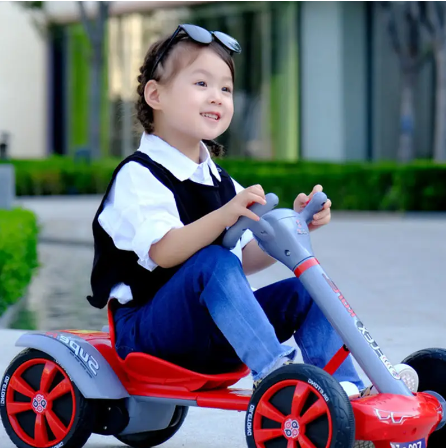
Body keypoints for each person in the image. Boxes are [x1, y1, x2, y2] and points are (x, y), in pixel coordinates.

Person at [88, 24, 417, 396]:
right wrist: (225, 215)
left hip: (218, 331)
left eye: (225, 88)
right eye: (201, 84)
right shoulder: (139, 175)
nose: (217, 97)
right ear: (156, 95)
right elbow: (164, 252)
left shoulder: (219, 181)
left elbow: (249, 256)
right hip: (149, 335)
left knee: (305, 291)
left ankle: (344, 389)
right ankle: (277, 374)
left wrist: (296, 223)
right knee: (212, 261)